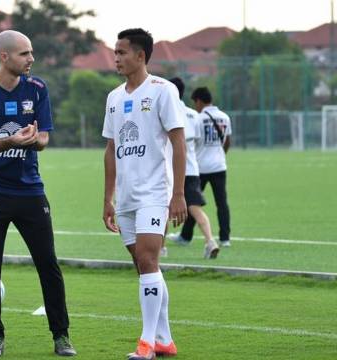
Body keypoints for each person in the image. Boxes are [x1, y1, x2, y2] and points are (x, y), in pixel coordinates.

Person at [0, 30, 76, 357]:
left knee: (48, 264)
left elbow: (43, 138)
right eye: (25, 54)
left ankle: (61, 335)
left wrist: (32, 139)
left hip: (29, 190)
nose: (31, 59)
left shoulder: (37, 88)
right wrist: (11, 141)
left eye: (31, 53)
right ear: (4, 56)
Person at [102, 29, 187, 360]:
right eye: (115, 52)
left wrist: (178, 194)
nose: (117, 58)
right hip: (125, 198)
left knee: (149, 260)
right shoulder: (113, 97)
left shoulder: (163, 91)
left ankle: (147, 343)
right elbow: (111, 149)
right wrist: (107, 198)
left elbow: (178, 142)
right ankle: (165, 339)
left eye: (122, 52)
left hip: (155, 193)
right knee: (143, 266)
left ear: (141, 55)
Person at [170, 87, 232, 247]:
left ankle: (185, 236)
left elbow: (195, 141)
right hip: (219, 166)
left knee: (192, 203)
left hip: (200, 166)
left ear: (199, 100)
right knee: (221, 203)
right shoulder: (225, 117)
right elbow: (227, 141)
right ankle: (225, 238)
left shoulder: (198, 117)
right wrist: (221, 155)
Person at [166, 78, 219, 259]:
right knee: (195, 209)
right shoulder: (193, 114)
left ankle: (160, 248)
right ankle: (210, 241)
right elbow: (196, 140)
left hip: (172, 169)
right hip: (192, 169)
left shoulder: (166, 111)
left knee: (163, 208)